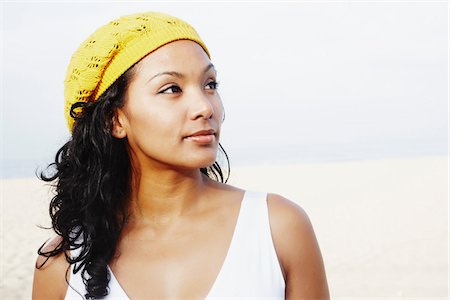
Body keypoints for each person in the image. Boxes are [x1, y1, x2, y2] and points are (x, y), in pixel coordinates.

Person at [32, 11, 329, 300]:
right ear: (115, 119)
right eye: (172, 88)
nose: (205, 107)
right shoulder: (63, 264)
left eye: (210, 84)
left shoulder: (278, 228)